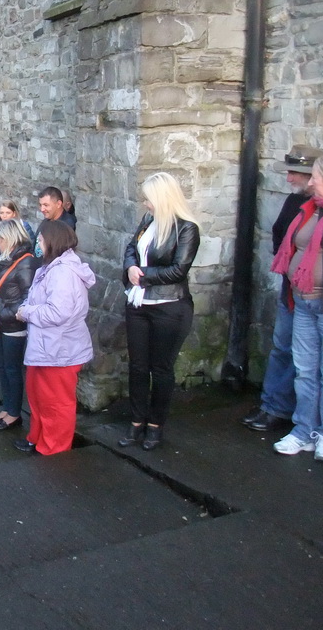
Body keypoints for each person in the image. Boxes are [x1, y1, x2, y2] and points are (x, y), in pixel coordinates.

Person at [270, 150, 323, 462]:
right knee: (305, 370)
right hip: (303, 301)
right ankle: (303, 430)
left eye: (316, 175)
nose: (312, 180)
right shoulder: (311, 207)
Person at [117, 172, 200, 451]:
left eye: (149, 199)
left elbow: (179, 269)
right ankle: (137, 421)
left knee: (161, 368)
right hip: (139, 304)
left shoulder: (186, 228)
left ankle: (156, 425)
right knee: (138, 366)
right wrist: (131, 267)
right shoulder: (147, 221)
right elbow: (131, 247)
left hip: (169, 307)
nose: (145, 204)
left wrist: (144, 275)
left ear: (162, 199)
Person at [242, 145, 323, 432]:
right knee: (281, 347)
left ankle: (284, 410)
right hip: (292, 287)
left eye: (295, 173)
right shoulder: (294, 202)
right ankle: (273, 404)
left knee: (301, 355)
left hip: (314, 293)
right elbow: (280, 237)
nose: (290, 179)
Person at [13, 220, 94, 455]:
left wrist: (26, 312)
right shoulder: (50, 268)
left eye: (40, 240)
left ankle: (54, 448)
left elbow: (58, 312)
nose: (38, 244)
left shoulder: (62, 273)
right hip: (47, 347)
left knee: (56, 403)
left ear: (52, 242)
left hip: (60, 350)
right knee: (39, 398)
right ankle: (38, 438)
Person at [0, 218, 38, 431]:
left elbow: (28, 297)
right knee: (3, 368)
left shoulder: (26, 262)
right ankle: (7, 408)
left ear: (10, 239)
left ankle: (14, 413)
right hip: (1, 321)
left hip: (13, 325)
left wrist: (5, 313)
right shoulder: (5, 258)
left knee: (12, 369)